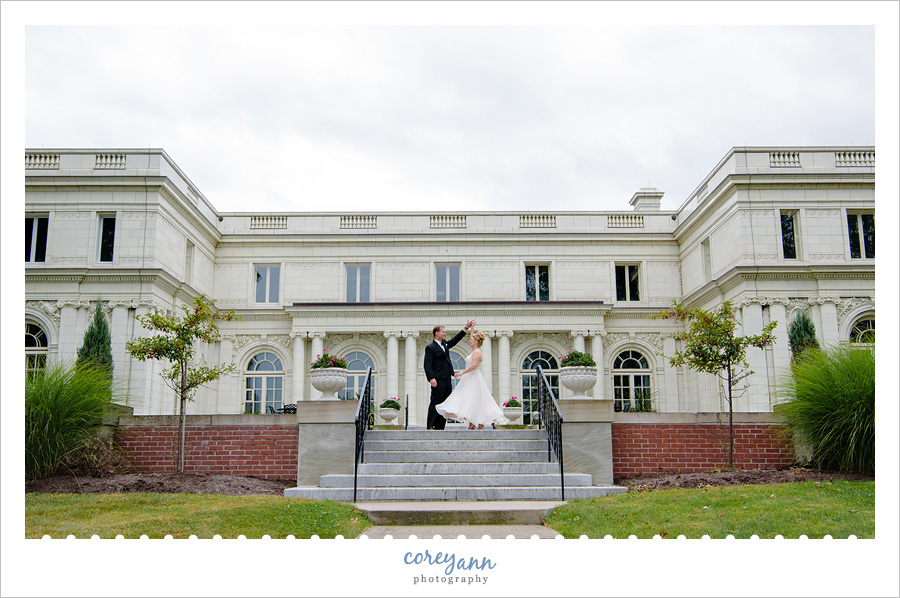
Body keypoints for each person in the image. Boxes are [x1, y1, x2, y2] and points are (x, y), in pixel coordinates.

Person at [436, 331, 509, 430]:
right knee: (470, 400)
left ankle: (478, 423)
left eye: (471, 340)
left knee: (475, 400)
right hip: (469, 377)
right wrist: (472, 328)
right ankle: (472, 422)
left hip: (473, 377)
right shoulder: (475, 351)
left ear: (476, 342)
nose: (470, 341)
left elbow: (474, 366)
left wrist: (461, 373)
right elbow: (472, 337)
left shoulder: (477, 352)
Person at [424, 320, 474, 430]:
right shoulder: (430, 347)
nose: (444, 334)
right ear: (436, 333)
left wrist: (465, 328)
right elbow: (427, 365)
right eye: (442, 332)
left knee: (445, 403)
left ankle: (440, 426)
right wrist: (431, 378)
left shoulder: (445, 344)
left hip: (447, 379)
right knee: (436, 402)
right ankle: (431, 425)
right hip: (437, 379)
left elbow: (455, 340)